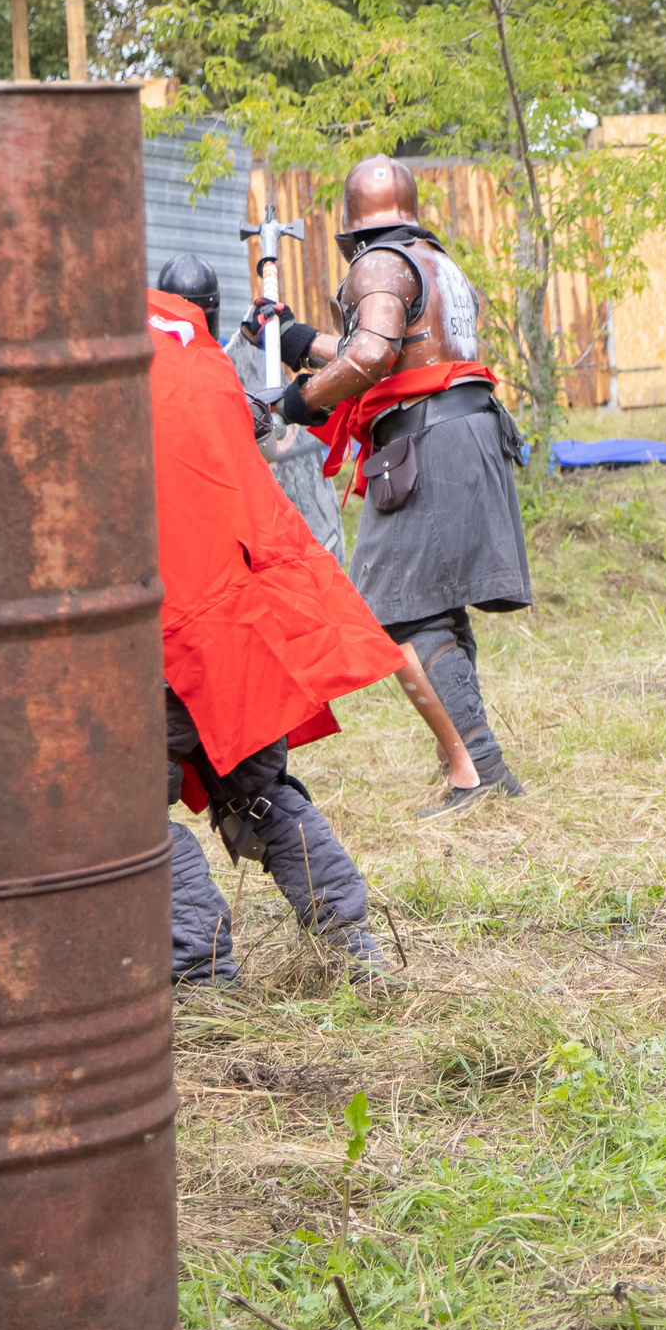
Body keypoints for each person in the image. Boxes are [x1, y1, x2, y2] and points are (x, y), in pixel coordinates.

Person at [245, 154, 533, 809]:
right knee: (432, 605)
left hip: (427, 441)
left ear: (356, 225)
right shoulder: (434, 260)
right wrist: (296, 339)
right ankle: (477, 764)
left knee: (397, 612)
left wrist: (296, 400)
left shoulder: (378, 263)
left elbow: (372, 355)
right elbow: (398, 349)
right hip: (465, 429)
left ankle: (476, 771)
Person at [147, 285, 409, 987]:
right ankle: (353, 948)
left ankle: (201, 973)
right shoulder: (198, 357)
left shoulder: (91, 358)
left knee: (124, 812)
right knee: (256, 793)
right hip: (246, 615)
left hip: (170, 630)